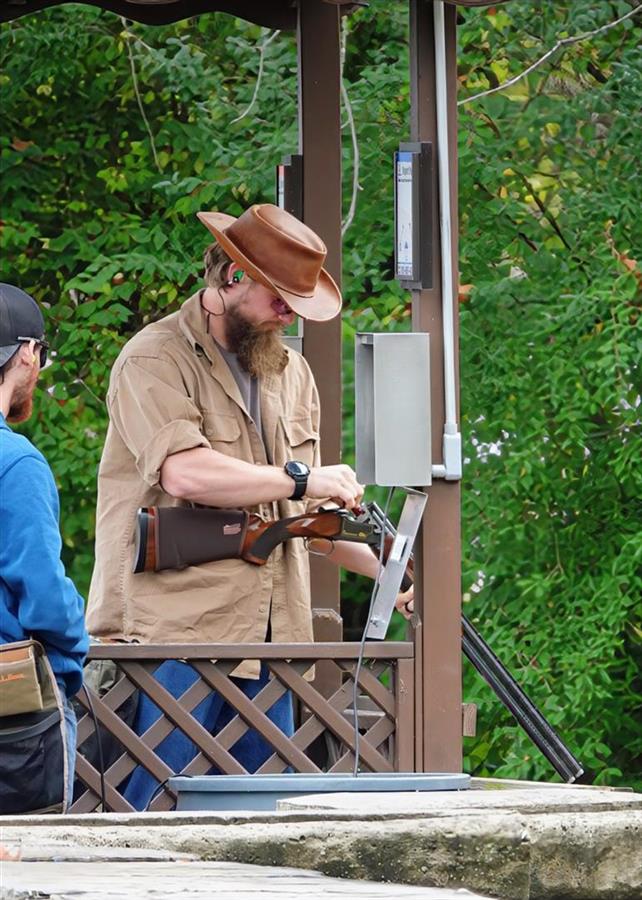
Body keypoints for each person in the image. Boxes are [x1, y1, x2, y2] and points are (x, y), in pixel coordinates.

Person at [86, 204, 412, 808]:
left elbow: (302, 521)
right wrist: (302, 480)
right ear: (233, 277)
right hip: (175, 636)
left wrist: (393, 574)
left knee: (264, 824)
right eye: (282, 298)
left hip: (273, 639)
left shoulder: (293, 373)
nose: (291, 314)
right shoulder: (154, 358)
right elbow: (186, 473)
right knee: (153, 817)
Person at [0, 283, 89, 811]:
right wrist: (75, 645)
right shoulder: (15, 463)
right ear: (27, 353)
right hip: (12, 710)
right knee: (26, 855)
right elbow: (43, 591)